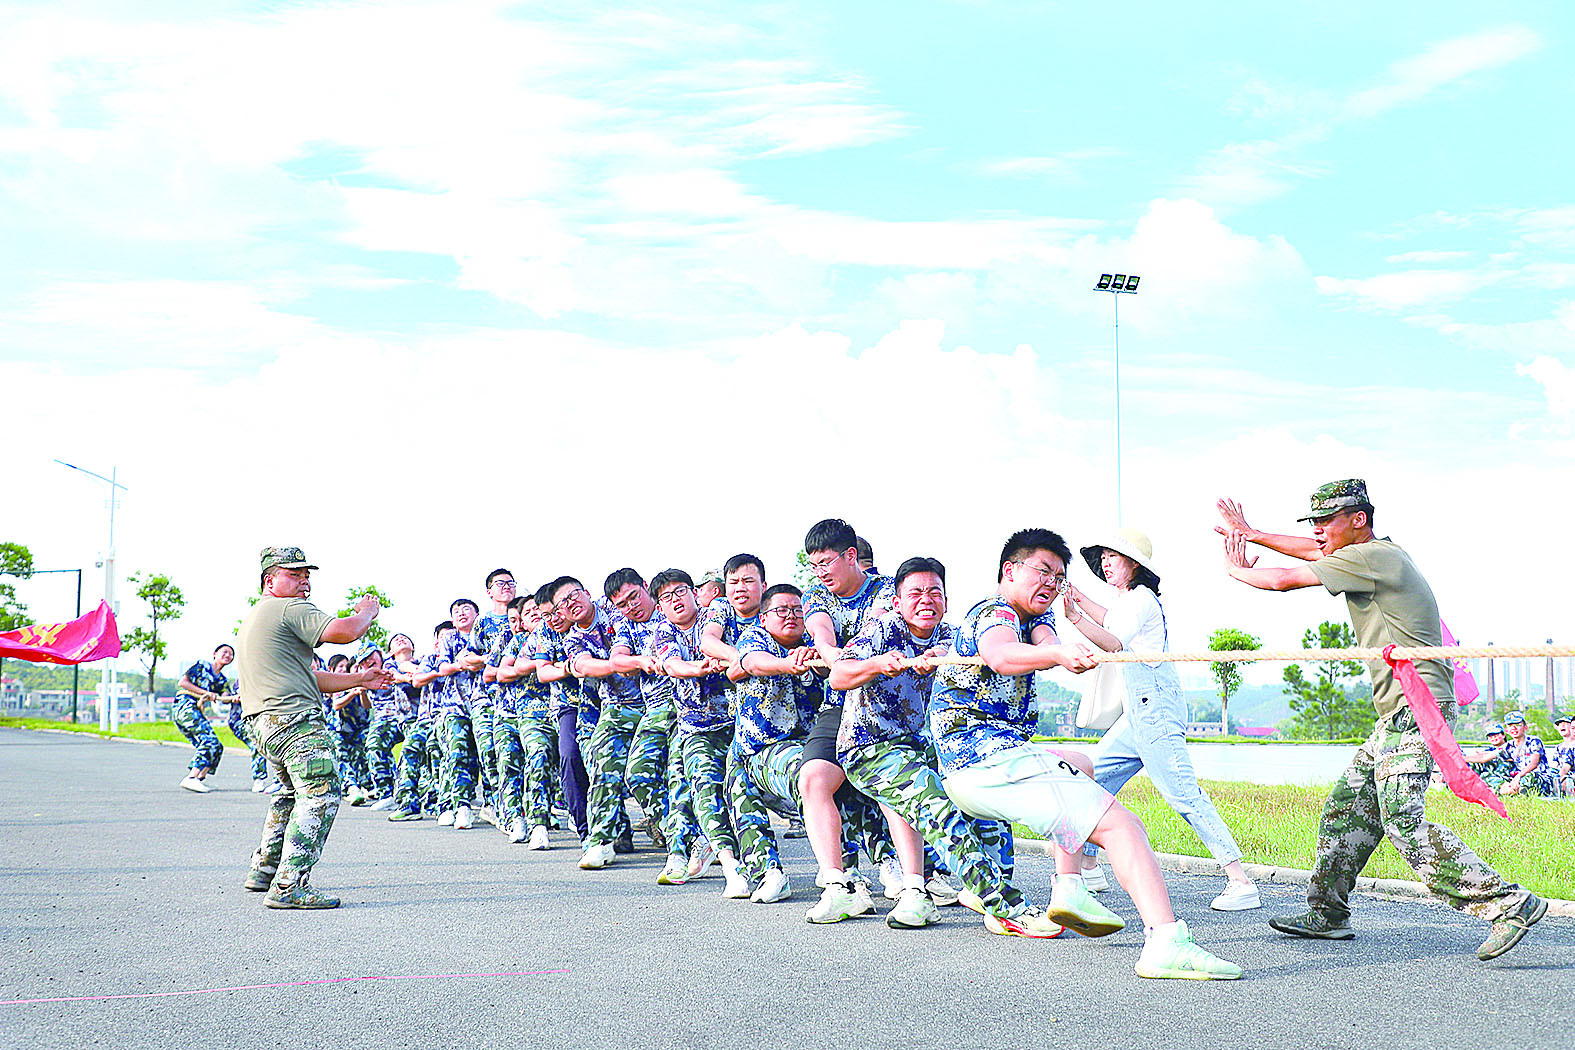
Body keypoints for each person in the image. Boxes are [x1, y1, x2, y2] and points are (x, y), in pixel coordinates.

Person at [1219, 480, 1545, 960]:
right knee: (1346, 807)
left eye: (1326, 521)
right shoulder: (1367, 554)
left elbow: (1284, 578)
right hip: (1397, 713)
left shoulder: (1373, 557)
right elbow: (1312, 550)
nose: (1318, 531)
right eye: (1314, 523)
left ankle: (1508, 904)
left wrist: (1235, 569)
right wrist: (1252, 533)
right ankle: (1327, 914)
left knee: (1403, 822)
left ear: (1359, 520)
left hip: (1418, 709)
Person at [931, 528, 1241, 978]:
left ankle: (1070, 884)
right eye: (1043, 571)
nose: (1051, 583)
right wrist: (1059, 652)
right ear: (1009, 570)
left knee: (1083, 764)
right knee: (1125, 826)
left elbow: (1048, 642)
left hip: (980, 766)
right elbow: (1000, 655)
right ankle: (1166, 942)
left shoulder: (1036, 618)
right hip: (985, 761)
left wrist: (1061, 642)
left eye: (1058, 576)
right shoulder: (994, 612)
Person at [831, 556, 1034, 931]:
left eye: (934, 592)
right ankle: (1004, 904)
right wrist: (878, 664)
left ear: (946, 600)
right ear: (897, 601)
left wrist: (945, 658)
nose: (926, 600)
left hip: (928, 747)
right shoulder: (882, 629)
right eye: (915, 593)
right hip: (870, 748)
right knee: (932, 800)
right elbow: (839, 675)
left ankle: (987, 887)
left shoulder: (952, 637)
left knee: (985, 787)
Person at [1062, 529, 1260, 910]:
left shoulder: (1140, 600)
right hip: (1138, 716)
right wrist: (1079, 599)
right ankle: (1088, 865)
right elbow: (1110, 620)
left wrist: (1074, 617)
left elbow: (1113, 642)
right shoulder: (1129, 602)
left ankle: (1240, 880)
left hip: (1156, 714)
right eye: (1103, 556)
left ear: (1134, 564)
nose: (1105, 562)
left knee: (1183, 794)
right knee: (1092, 776)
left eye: (1113, 556)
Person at [236, 546, 390, 909]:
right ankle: (289, 885)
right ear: (269, 580)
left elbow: (309, 677)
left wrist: (359, 679)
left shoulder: (257, 616)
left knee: (290, 794)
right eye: (294, 574)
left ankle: (265, 868)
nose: (303, 582)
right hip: (294, 722)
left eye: (306, 575)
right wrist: (367, 612)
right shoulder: (288, 607)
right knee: (321, 794)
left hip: (265, 724)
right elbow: (347, 631)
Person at [800, 518, 897, 897]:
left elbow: (877, 635)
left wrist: (849, 661)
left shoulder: (887, 590)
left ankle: (913, 875)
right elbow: (821, 635)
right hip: (839, 703)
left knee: (894, 782)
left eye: (826, 562)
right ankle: (836, 881)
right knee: (813, 778)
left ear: (851, 556)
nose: (820, 572)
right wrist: (834, 657)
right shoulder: (816, 595)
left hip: (886, 706)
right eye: (814, 565)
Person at [650, 568, 751, 897]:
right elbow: (672, 665)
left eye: (680, 591)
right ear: (660, 606)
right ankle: (726, 864)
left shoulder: (715, 617)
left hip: (738, 722)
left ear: (694, 592)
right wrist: (699, 668)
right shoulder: (664, 631)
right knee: (701, 787)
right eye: (666, 597)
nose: (675, 600)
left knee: (739, 792)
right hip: (697, 727)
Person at [173, 643, 233, 793]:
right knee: (209, 741)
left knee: (217, 747)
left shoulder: (222, 680)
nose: (227, 655)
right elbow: (183, 683)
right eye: (224, 652)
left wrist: (234, 697)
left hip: (197, 710)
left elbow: (225, 697)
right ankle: (191, 777)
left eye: (231, 654)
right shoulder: (202, 666)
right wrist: (205, 693)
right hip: (185, 706)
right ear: (215, 653)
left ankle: (199, 779)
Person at [1500, 712, 1557, 797]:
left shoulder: (1534, 741)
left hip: (1539, 778)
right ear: (1506, 730)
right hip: (1518, 778)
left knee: (1529, 778)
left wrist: (1518, 776)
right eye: (1510, 726)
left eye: (1518, 725)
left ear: (1525, 727)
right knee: (1494, 777)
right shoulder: (1508, 746)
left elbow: (1534, 763)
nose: (1514, 728)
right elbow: (1486, 756)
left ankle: (1508, 791)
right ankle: (1509, 790)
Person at [1462, 724, 1516, 792]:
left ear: (1503, 735)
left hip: (1507, 776)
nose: (1493, 738)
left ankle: (1503, 788)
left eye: (1496, 735)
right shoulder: (1489, 749)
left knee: (1484, 775)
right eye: (1490, 736)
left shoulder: (1510, 747)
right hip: (1493, 775)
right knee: (1474, 764)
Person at [1552, 714, 1575, 798]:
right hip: (1564, 776)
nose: (1562, 726)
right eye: (1559, 724)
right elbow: (1556, 766)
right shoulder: (1559, 747)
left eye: (1565, 723)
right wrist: (1557, 779)